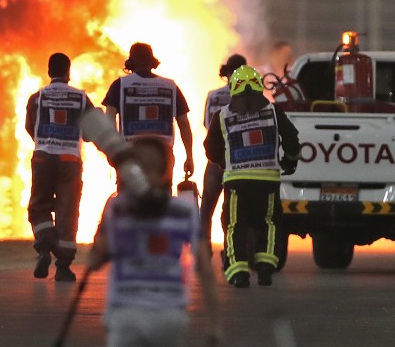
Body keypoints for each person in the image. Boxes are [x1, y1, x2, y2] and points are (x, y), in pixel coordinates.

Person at [88, 135, 220, 347]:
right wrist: (215, 326)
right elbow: (205, 269)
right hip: (169, 316)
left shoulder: (116, 207)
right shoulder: (185, 210)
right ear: (165, 171)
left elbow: (95, 261)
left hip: (125, 314)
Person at [203, 65, 301, 288]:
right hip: (267, 179)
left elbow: (210, 149)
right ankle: (265, 269)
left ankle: (238, 273)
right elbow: (292, 139)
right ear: (258, 86)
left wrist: (223, 162)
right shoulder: (273, 111)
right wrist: (290, 161)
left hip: (236, 182)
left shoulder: (222, 115)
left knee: (235, 224)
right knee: (269, 222)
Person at [24, 52, 94, 282]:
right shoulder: (81, 98)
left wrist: (46, 142)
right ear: (68, 72)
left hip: (43, 158)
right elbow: (91, 133)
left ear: (48, 72)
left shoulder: (37, 97)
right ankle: (63, 266)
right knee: (67, 211)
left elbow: (30, 127)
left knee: (39, 206)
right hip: (70, 161)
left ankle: (44, 247)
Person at [102, 43, 196, 181]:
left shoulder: (119, 85)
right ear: (152, 62)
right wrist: (189, 156)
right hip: (163, 155)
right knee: (161, 199)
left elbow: (109, 121)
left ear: (131, 63)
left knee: (129, 200)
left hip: (129, 154)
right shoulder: (170, 86)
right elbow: (184, 124)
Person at [200, 54, 247, 243]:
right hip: (241, 159)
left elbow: (206, 124)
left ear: (225, 72)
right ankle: (231, 252)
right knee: (234, 210)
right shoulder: (251, 98)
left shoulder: (213, 96)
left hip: (215, 159)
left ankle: (203, 250)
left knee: (206, 208)